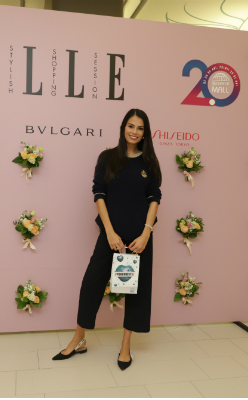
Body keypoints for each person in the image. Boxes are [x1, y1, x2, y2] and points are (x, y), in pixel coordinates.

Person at [52, 109, 162, 371]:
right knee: (91, 283)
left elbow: (154, 197)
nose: (134, 131)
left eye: (140, 128)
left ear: (145, 133)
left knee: (136, 291)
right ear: (123, 127)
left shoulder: (149, 162)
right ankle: (79, 339)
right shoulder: (107, 158)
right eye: (131, 126)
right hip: (110, 235)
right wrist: (110, 232)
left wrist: (146, 233)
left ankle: (125, 345)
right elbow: (99, 193)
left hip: (139, 239)